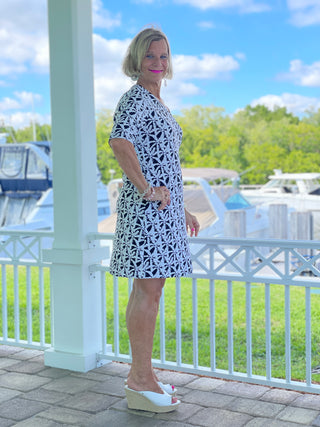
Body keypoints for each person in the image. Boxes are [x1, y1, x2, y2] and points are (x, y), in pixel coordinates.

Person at [108, 26, 200, 413]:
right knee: (148, 291)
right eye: (150, 56)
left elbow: (165, 163)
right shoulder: (135, 100)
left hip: (163, 214)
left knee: (150, 291)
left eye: (163, 56)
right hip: (147, 214)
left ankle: (141, 376)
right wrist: (148, 190)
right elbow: (119, 142)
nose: (158, 63)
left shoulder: (155, 101)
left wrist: (181, 208)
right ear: (136, 60)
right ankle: (140, 379)